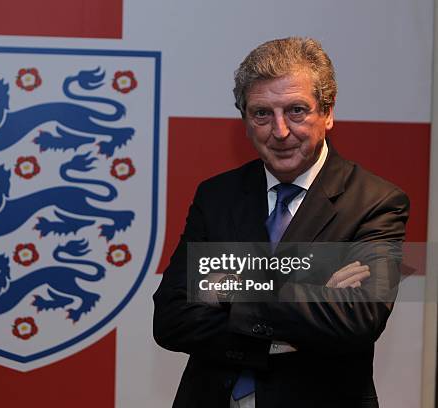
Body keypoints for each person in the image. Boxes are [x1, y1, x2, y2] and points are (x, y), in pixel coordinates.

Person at [153, 37, 409, 408]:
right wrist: (313, 288)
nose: (281, 131)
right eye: (262, 113)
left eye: (296, 110)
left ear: (328, 112)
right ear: (244, 118)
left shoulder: (377, 202)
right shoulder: (217, 195)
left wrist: (231, 288)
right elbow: (171, 319)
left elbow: (358, 320)